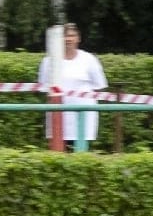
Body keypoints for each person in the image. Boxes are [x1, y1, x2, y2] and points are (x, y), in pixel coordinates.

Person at [37, 22, 107, 150]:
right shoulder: (48, 61)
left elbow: (99, 86)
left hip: (83, 117)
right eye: (65, 36)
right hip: (58, 116)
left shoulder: (89, 59)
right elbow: (44, 88)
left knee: (80, 155)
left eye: (72, 35)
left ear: (78, 38)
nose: (68, 39)